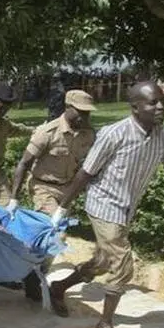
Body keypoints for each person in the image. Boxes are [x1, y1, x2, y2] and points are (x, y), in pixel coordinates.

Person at [47, 82, 164, 328]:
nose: (161, 106)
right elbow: (86, 173)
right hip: (103, 203)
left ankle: (59, 287)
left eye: (162, 100)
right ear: (135, 108)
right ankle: (104, 324)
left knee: (104, 262)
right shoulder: (114, 134)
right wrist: (62, 207)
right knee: (123, 260)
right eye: (153, 103)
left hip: (127, 207)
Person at [9, 90, 97, 297]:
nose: (85, 117)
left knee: (43, 236)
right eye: (80, 112)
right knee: (56, 234)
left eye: (88, 113)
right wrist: (13, 198)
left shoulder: (88, 134)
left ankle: (30, 273)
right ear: (68, 108)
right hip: (43, 187)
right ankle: (33, 279)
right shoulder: (47, 132)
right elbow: (24, 163)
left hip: (68, 190)